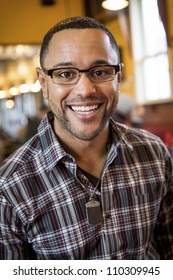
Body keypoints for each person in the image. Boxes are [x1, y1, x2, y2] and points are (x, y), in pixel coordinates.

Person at [0, 16, 173, 260]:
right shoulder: (10, 188)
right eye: (65, 73)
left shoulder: (154, 154)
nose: (85, 90)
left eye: (100, 71)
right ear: (43, 82)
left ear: (118, 77)